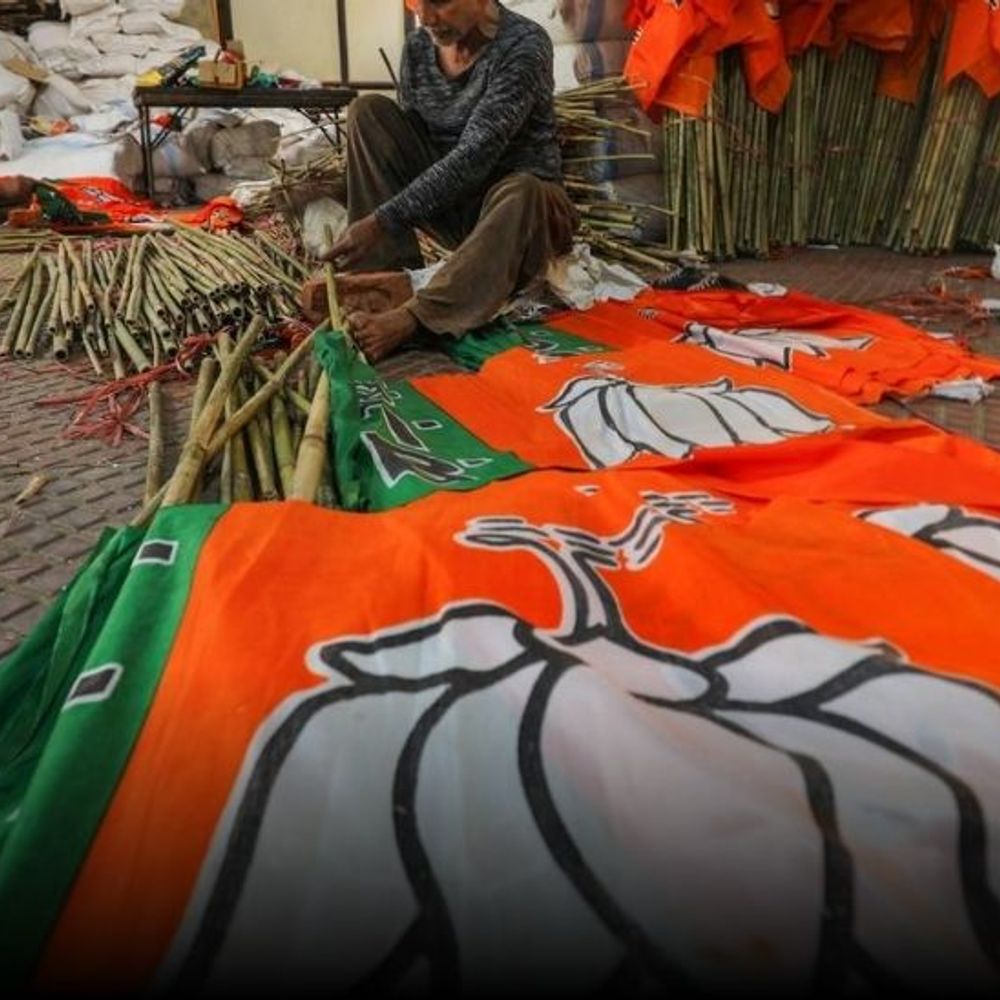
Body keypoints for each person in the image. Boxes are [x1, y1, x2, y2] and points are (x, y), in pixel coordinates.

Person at [305, 0, 577, 361]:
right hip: (458, 211)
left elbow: (475, 156)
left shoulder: (523, 43)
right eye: (416, 3)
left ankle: (416, 316)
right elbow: (411, 144)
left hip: (522, 217)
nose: (426, 17)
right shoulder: (418, 50)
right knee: (368, 112)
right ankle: (387, 281)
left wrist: (382, 220)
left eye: (440, 2)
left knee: (524, 189)